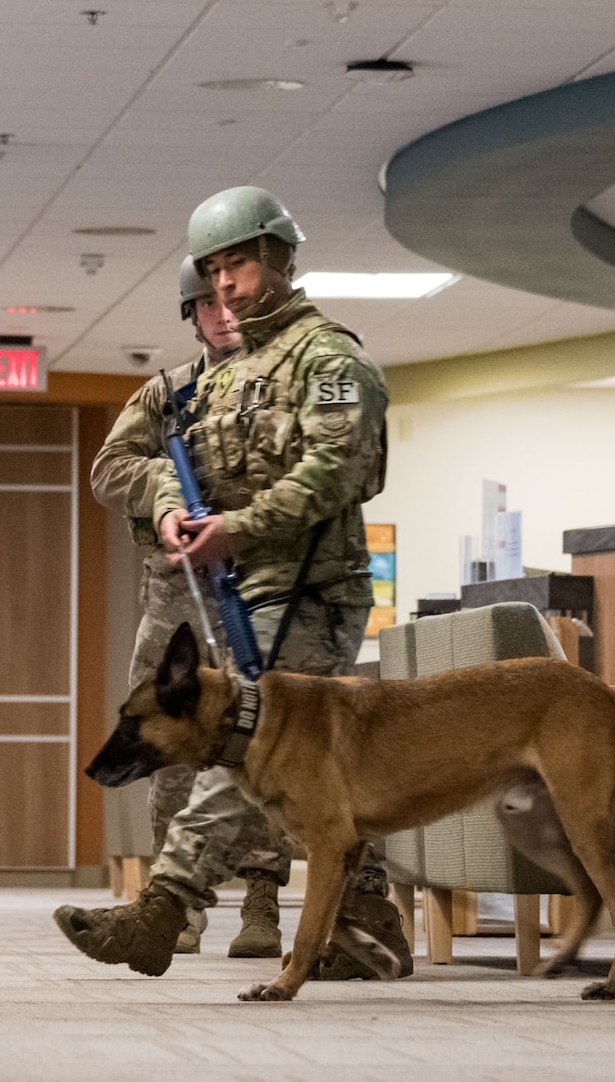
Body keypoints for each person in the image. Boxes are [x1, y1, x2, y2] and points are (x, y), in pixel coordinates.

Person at [56, 186, 411, 981]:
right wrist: (178, 509)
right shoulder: (216, 379)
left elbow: (339, 468)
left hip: (311, 594)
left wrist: (240, 528)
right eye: (213, 269)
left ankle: (166, 906)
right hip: (236, 597)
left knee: (251, 751)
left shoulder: (330, 358)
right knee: (275, 764)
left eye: (241, 262)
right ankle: (362, 919)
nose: (226, 284)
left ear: (281, 258)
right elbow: (140, 469)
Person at [87, 258, 292, 959]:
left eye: (233, 300)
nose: (223, 313)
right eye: (206, 303)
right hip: (177, 593)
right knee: (162, 739)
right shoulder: (168, 393)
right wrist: (165, 491)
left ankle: (262, 897)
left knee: (262, 744)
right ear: (192, 313)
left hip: (258, 589)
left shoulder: (286, 389)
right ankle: (174, 900)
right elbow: (109, 467)